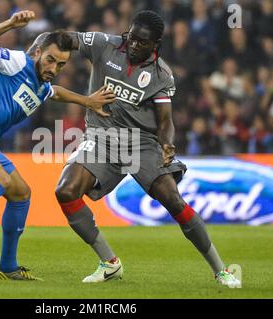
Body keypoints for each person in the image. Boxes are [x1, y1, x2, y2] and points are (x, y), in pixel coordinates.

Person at [55, 10, 240, 287]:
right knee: (66, 191)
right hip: (101, 136)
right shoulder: (105, 43)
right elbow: (65, 39)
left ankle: (220, 270)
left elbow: (165, 121)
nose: (132, 45)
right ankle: (109, 263)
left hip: (141, 143)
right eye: (131, 37)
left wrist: (166, 143)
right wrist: (45, 48)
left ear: (156, 44)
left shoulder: (161, 74)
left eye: (141, 42)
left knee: (173, 200)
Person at [0, 11, 115, 281]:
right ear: (37, 52)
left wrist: (87, 101)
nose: (54, 68)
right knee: (0, 180)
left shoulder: (42, 85)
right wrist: (9, 24)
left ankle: (8, 267)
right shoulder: (17, 62)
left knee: (21, 193)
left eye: (61, 64)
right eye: (50, 59)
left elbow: (55, 92)